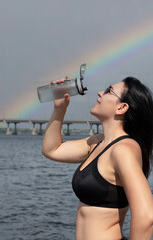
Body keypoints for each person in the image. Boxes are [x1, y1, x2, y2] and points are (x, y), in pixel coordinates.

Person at [42, 76, 153, 240]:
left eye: (108, 91)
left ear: (121, 107)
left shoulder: (123, 150)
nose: (100, 93)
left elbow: (146, 216)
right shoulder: (97, 142)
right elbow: (52, 150)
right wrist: (59, 109)